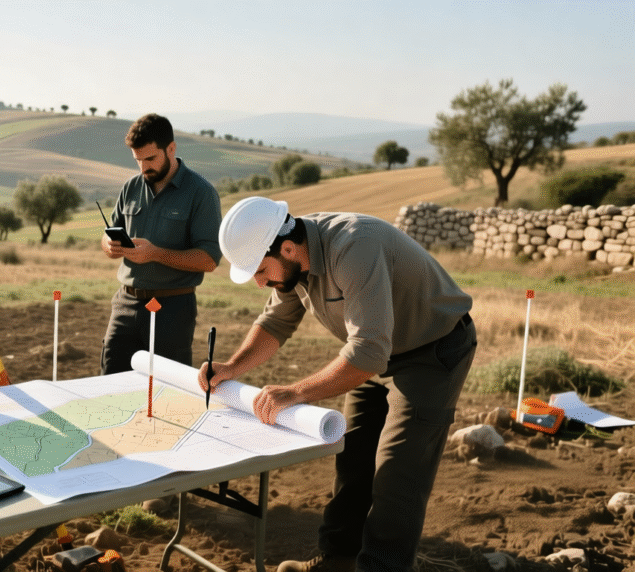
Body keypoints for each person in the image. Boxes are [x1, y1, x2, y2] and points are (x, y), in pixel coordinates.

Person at [200, 197, 477, 572]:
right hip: (378, 353)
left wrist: (296, 391)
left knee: (397, 473)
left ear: (287, 247)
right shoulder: (293, 259)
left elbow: (367, 352)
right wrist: (232, 367)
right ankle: (338, 559)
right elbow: (276, 322)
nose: (259, 281)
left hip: (431, 351)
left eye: (261, 270)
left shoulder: (354, 247)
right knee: (353, 458)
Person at [99, 113, 222, 375]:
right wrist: (109, 245)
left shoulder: (201, 193)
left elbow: (209, 259)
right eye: (138, 160)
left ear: (171, 149)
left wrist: (155, 254)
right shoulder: (130, 187)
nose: (143, 168)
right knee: (109, 385)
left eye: (150, 159)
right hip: (125, 304)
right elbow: (109, 232)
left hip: (173, 310)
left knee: (168, 393)